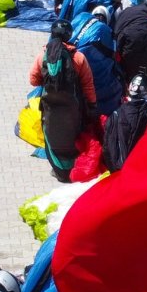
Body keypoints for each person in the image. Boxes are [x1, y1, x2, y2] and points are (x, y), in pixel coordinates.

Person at [30, 22, 97, 183]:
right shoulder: (78, 58)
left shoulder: (42, 56)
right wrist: (92, 105)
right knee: (72, 138)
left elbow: (33, 80)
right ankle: (74, 170)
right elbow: (88, 85)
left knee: (52, 137)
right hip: (73, 108)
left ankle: (58, 171)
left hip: (49, 108)